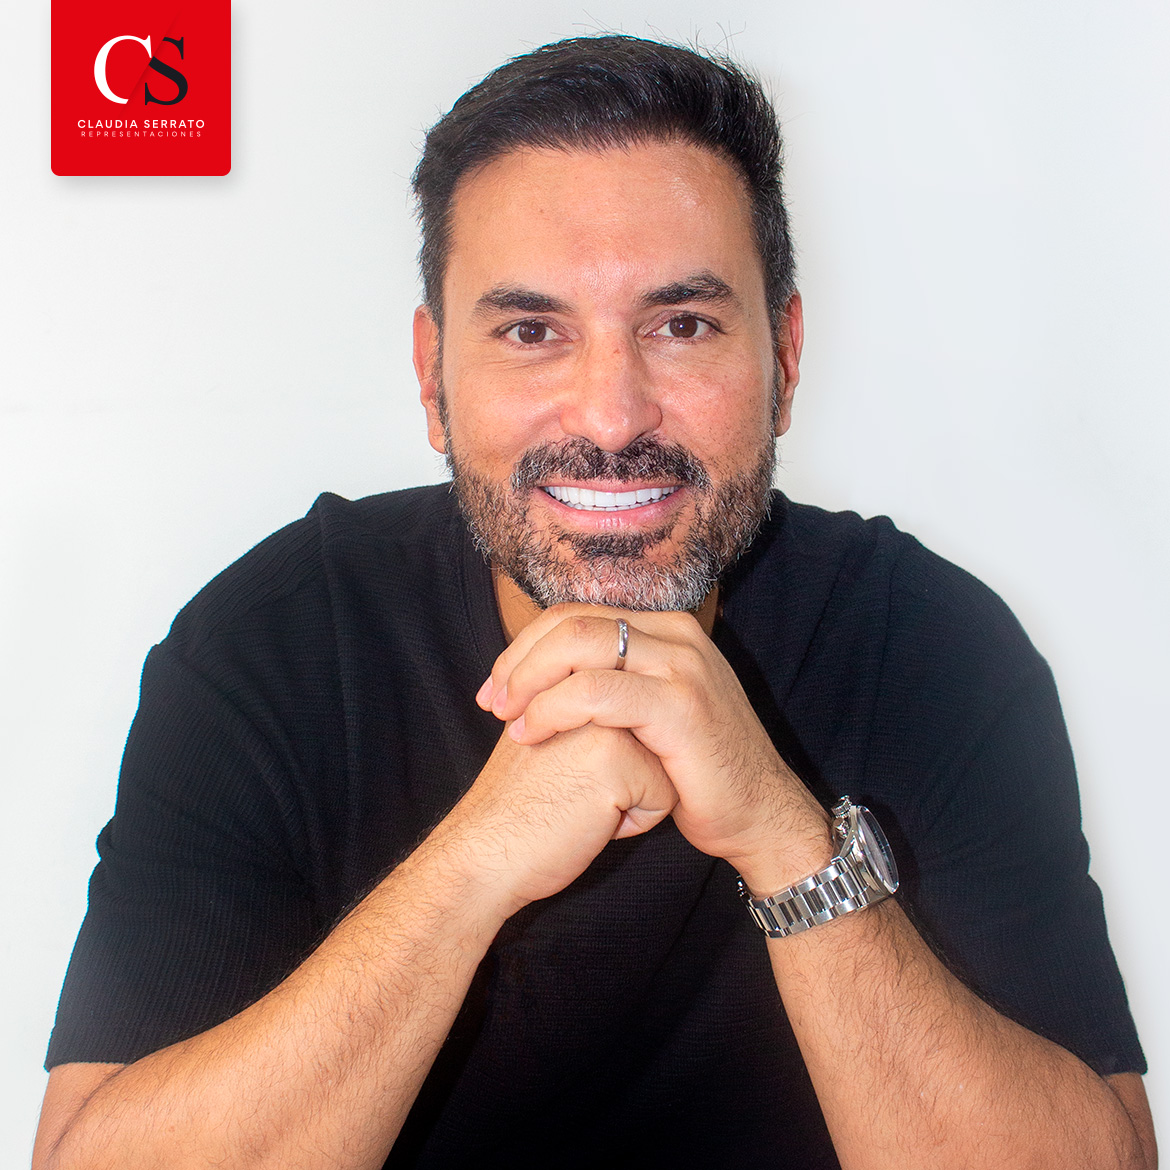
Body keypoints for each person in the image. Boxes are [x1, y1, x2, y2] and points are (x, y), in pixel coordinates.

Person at [33, 35, 1155, 1170]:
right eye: (532, 332)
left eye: (683, 325)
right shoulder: (272, 644)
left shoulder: (932, 647)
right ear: (432, 376)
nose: (613, 417)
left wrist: (783, 836)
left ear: (785, 358)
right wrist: (470, 869)